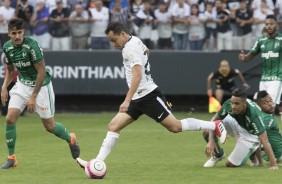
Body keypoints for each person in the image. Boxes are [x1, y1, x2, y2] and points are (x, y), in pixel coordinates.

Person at [76, 21, 227, 170]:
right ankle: (96, 163)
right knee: (113, 126)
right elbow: (147, 50)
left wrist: (126, 100)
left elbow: (137, 76)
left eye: (114, 40)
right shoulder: (135, 40)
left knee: (175, 127)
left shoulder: (130, 49)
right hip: (138, 98)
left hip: (149, 96)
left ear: (122, 34)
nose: (113, 44)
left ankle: (214, 125)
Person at [0, 18, 80, 169]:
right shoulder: (7, 47)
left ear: (24, 32)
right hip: (22, 85)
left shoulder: (32, 46)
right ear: (9, 34)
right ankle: (11, 158)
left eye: (20, 33)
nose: (17, 36)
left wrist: (33, 97)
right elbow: (10, 70)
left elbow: (42, 72)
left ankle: (71, 138)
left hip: (41, 86)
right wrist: (4, 87)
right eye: (14, 33)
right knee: (10, 118)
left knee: (50, 126)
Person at [202, 88, 278, 170]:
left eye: (237, 104)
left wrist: (273, 165)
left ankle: (251, 154)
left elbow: (264, 140)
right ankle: (218, 154)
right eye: (232, 103)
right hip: (236, 123)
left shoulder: (254, 116)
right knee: (207, 131)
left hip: (250, 133)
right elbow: (213, 121)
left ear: (244, 104)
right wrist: (211, 140)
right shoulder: (228, 104)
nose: (233, 106)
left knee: (229, 164)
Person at [239, 14, 282, 117]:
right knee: (261, 106)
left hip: (277, 78)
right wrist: (244, 58)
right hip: (264, 79)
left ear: (276, 24)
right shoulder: (261, 40)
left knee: (269, 106)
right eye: (267, 24)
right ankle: (265, 131)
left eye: (271, 24)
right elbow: (250, 55)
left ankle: (269, 132)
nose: (269, 26)